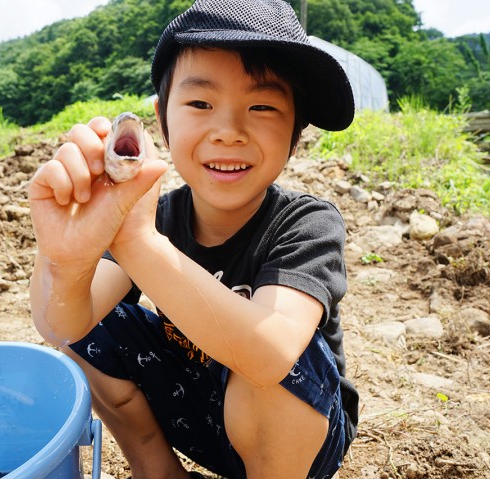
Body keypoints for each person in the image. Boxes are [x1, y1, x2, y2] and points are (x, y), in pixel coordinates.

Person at [28, 0, 359, 477]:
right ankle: (157, 469)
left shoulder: (306, 222)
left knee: (281, 350)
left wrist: (139, 243)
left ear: (295, 130)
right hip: (200, 412)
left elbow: (270, 355)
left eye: (262, 106)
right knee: (94, 325)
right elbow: (62, 325)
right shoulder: (154, 215)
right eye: (201, 103)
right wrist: (64, 260)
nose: (228, 131)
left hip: (297, 440)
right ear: (163, 119)